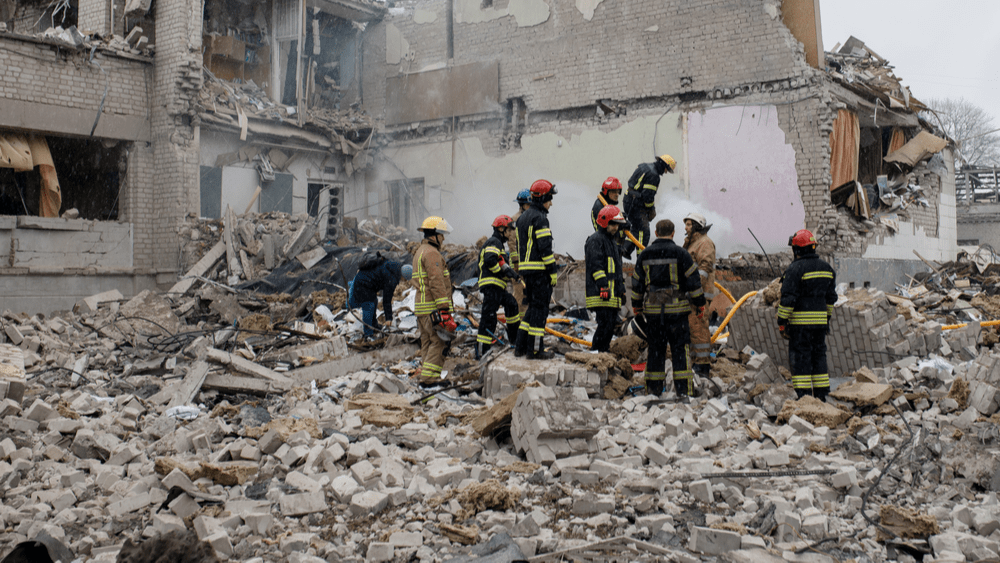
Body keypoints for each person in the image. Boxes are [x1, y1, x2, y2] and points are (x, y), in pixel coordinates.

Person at [631, 219, 706, 398]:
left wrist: (636, 307)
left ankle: (653, 392)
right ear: (673, 234)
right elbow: (694, 282)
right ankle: (683, 393)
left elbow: (636, 283)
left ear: (656, 233)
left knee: (655, 352)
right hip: (678, 315)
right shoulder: (682, 254)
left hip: (654, 315)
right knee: (680, 352)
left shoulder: (644, 254)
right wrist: (700, 303)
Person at [778, 229, 837, 401]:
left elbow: (788, 300)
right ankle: (821, 396)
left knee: (801, 358)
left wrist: (782, 322)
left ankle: (804, 398)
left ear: (797, 250)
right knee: (819, 356)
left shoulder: (795, 269)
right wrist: (826, 319)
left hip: (800, 325)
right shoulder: (827, 269)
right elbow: (831, 299)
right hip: (819, 325)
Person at [514, 179, 558, 360]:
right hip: (540, 272)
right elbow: (545, 249)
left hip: (527, 272)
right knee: (540, 312)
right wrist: (553, 271)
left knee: (532, 310)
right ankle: (535, 350)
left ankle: (521, 346)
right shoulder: (540, 218)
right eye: (550, 199)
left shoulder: (522, 218)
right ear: (543, 198)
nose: (551, 203)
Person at [413, 216, 456, 386]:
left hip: (422, 308)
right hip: (433, 308)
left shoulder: (420, 251)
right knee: (439, 341)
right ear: (434, 235)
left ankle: (427, 376)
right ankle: (429, 380)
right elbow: (436, 281)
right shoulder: (431, 253)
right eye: (442, 234)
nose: (444, 238)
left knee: (427, 342)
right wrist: (444, 308)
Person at [477, 215, 522, 356]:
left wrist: (511, 273)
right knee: (488, 318)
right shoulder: (494, 241)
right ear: (501, 229)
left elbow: (500, 261)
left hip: (497, 286)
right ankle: (481, 351)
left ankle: (515, 339)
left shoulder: (498, 244)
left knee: (512, 304)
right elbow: (490, 261)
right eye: (509, 231)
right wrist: (502, 273)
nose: (510, 234)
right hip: (492, 285)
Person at [586, 205, 626, 352]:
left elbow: (616, 271)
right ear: (604, 222)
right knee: (604, 326)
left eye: (617, 224)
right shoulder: (595, 240)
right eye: (613, 224)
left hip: (611, 294)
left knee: (609, 327)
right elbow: (596, 267)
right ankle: (597, 353)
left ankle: (603, 353)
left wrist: (621, 290)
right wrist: (603, 286)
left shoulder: (611, 242)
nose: (616, 228)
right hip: (601, 293)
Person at [622, 154, 676, 258]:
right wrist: (651, 210)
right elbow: (648, 197)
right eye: (666, 169)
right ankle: (641, 257)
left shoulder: (644, 166)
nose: (665, 172)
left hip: (629, 199)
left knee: (636, 228)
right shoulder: (654, 175)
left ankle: (626, 248)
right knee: (644, 231)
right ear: (663, 165)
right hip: (636, 204)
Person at [682, 212, 717, 378]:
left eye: (689, 224)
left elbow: (704, 268)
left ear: (697, 226)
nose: (686, 228)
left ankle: (702, 366)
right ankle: (695, 361)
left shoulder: (705, 243)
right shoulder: (692, 243)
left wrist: (696, 292)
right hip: (691, 294)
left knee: (699, 330)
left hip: (699, 295)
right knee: (692, 329)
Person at [348, 253, 413, 339]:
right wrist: (388, 318)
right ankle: (368, 334)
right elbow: (387, 299)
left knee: (374, 302)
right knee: (369, 306)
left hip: (364, 281)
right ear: (404, 277)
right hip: (363, 284)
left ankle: (374, 326)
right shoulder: (392, 278)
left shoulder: (394, 267)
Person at [510, 189, 531, 311]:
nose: (530, 207)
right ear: (522, 205)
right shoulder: (515, 220)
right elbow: (512, 243)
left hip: (527, 262)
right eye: (528, 205)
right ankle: (518, 324)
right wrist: (516, 262)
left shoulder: (531, 218)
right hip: (518, 263)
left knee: (527, 294)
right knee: (519, 294)